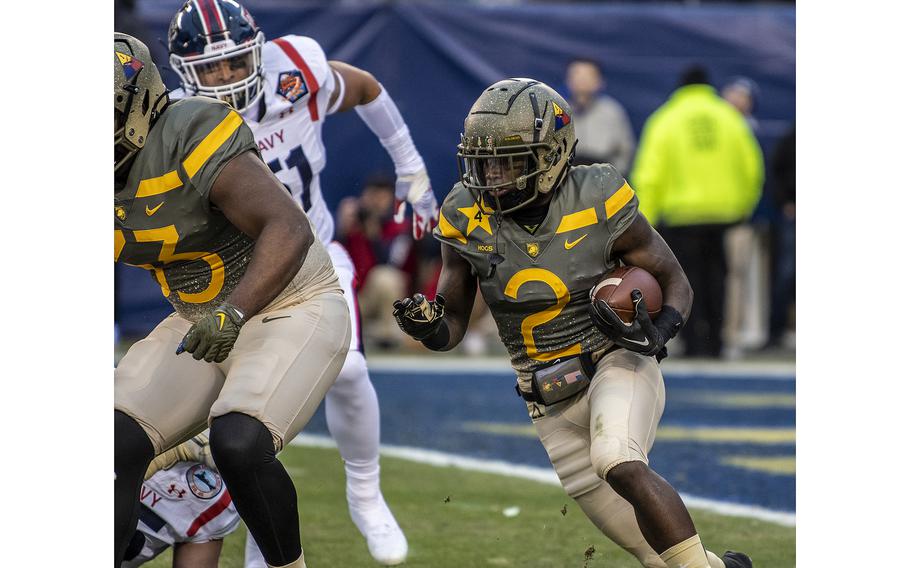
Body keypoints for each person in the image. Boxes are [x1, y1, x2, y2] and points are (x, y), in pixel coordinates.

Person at [393, 78, 752, 568]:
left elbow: (675, 281)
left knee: (617, 458)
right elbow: (452, 320)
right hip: (548, 405)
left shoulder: (596, 193)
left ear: (553, 156)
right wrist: (428, 328)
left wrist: (659, 331)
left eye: (510, 161)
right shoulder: (464, 212)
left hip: (613, 360)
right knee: (661, 557)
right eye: (486, 162)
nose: (494, 176)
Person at [166, 1, 440, 563]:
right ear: (185, 71)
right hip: (229, 276)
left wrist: (411, 165)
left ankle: (365, 491)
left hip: (314, 256)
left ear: (257, 51)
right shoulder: (175, 120)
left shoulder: (295, 70)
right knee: (237, 413)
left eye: (234, 63)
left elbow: (365, 88)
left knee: (352, 366)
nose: (224, 78)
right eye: (210, 69)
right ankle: (261, 541)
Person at [114, 32, 351, 568]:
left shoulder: (187, 128)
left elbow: (287, 226)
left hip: (293, 302)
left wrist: (235, 311)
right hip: (198, 317)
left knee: (239, 442)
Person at [631, 65, 764, 358]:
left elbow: (650, 173)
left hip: (680, 216)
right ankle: (716, 342)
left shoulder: (665, 119)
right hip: (724, 215)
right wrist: (743, 206)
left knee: (682, 281)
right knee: (719, 279)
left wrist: (646, 222)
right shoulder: (729, 117)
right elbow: (752, 167)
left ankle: (691, 342)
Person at [565, 58, 636, 175]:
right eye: (577, 74)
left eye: (588, 75)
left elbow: (625, 152)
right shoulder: (560, 111)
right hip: (566, 177)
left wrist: (611, 177)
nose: (582, 79)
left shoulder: (612, 112)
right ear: (568, 80)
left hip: (603, 178)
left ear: (599, 81)